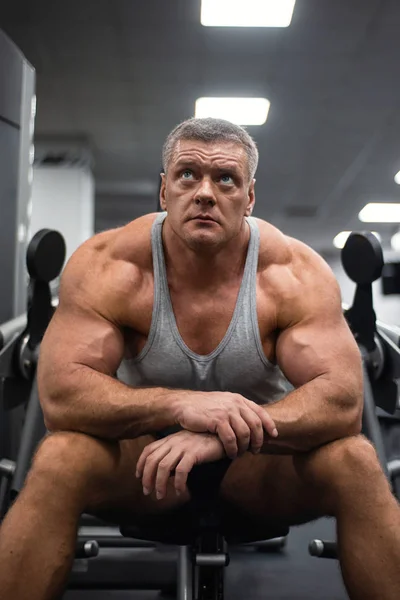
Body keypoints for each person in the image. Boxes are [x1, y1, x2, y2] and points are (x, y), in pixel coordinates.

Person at [0, 117, 399, 600]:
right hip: (145, 468)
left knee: (356, 459)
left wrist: (221, 437)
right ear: (164, 191)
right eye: (188, 174)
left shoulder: (293, 274)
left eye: (226, 179)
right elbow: (62, 396)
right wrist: (179, 405)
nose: (205, 192)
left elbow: (341, 401)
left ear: (249, 197)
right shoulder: (109, 265)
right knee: (60, 455)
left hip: (258, 468)